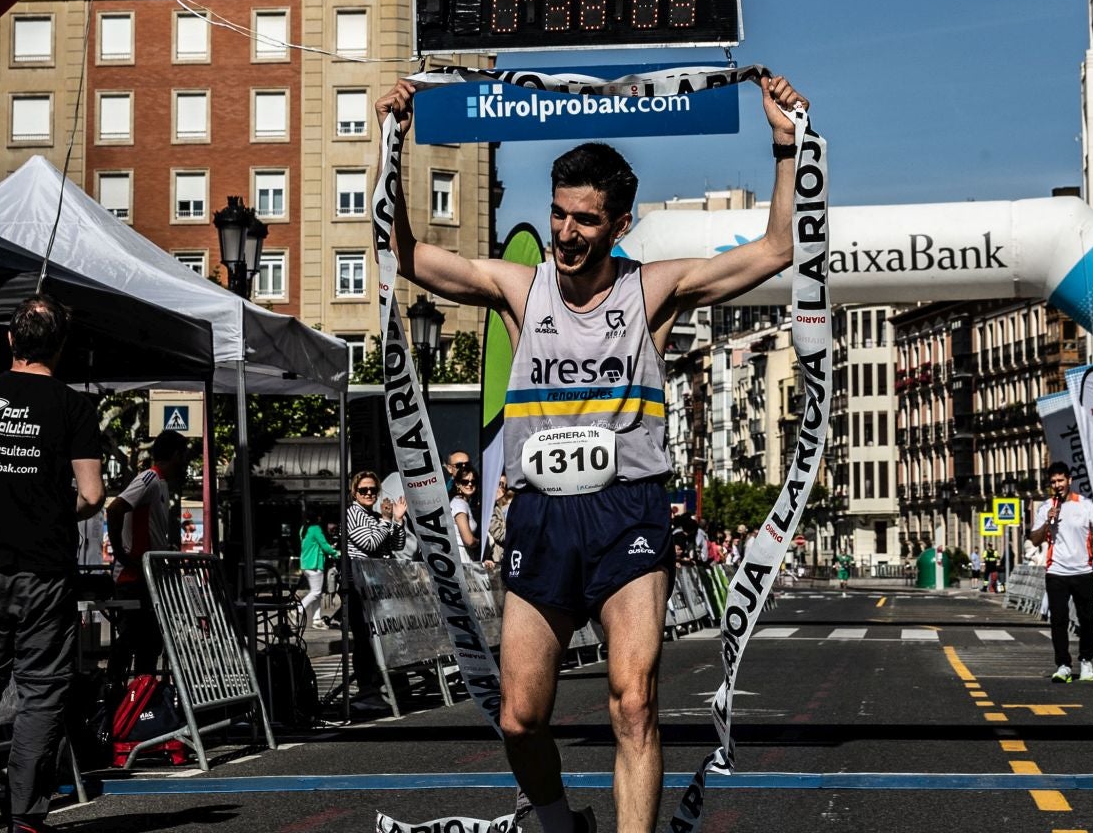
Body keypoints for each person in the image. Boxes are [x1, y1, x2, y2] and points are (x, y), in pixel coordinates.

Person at [376, 71, 808, 833]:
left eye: (584, 219)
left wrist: (782, 142)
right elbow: (408, 256)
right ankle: (555, 821)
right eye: (557, 215)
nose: (566, 233)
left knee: (634, 701)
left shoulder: (654, 292)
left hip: (627, 514)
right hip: (540, 516)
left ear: (618, 223)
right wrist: (394, 145)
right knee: (519, 718)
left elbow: (777, 248)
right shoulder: (520, 288)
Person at [0, 295, 103, 833]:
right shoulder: (72, 406)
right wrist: (54, 510)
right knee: (41, 688)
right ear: (60, 345)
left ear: (9, 341)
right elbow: (93, 494)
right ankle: (25, 812)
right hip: (44, 569)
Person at [106, 430, 191, 682]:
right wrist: (121, 553)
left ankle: (143, 697)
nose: (186, 462)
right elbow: (115, 508)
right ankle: (114, 691)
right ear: (176, 454)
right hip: (133, 579)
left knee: (150, 643)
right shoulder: (149, 479)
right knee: (133, 639)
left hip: (146, 577)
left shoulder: (161, 484)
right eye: (184, 455)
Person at [1028, 460, 1093, 683]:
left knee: (1087, 618)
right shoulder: (1046, 507)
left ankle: (1086, 661)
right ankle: (1063, 664)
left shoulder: (1084, 504)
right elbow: (1034, 539)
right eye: (1053, 481)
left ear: (1069, 481)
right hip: (1056, 571)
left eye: (1061, 480)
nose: (1057, 485)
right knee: (1058, 620)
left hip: (1082, 570)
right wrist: (1048, 523)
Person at [343, 468, 407, 712]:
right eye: (363, 490)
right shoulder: (353, 514)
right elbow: (370, 543)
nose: (369, 493)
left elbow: (396, 544)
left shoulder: (373, 515)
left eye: (373, 490)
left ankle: (382, 685)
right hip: (359, 587)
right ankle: (366, 691)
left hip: (377, 587)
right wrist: (385, 521)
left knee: (381, 638)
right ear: (354, 492)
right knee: (364, 639)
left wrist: (397, 520)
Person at [299, 520, 340, 628]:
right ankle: (297, 608)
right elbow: (324, 545)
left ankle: (316, 619)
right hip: (315, 564)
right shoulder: (316, 528)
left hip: (306, 564)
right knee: (316, 592)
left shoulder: (304, 528)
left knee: (317, 593)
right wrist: (336, 553)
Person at [449, 465, 481, 563]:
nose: (470, 484)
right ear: (458, 484)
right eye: (465, 481)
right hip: (461, 556)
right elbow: (469, 540)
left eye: (473, 481)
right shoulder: (459, 504)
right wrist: (480, 542)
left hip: (463, 554)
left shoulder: (463, 503)